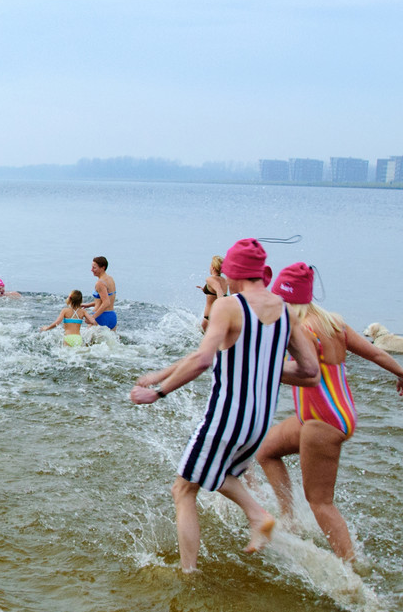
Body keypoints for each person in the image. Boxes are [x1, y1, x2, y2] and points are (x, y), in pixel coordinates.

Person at [129, 238, 319, 573]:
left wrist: (159, 392)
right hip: (258, 424)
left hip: (226, 418)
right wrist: (266, 367)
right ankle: (256, 516)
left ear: (236, 272)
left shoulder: (229, 307)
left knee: (183, 489)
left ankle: (191, 571)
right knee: (219, 476)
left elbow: (203, 359)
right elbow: (310, 372)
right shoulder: (285, 311)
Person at [255, 262, 403, 561]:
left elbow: (303, 372)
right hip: (333, 415)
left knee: (320, 502)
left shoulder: (301, 329)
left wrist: (259, 368)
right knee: (266, 450)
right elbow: (376, 352)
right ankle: (290, 522)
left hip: (322, 422)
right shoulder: (334, 323)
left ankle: (352, 568)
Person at [83, 256, 118, 329]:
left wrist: (92, 317)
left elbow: (106, 302)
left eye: (94, 268)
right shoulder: (110, 279)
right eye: (92, 267)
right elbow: (105, 300)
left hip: (101, 317)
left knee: (85, 340)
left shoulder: (100, 283)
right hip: (112, 316)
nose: (91, 270)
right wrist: (88, 305)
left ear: (103, 268)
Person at [196, 255, 229, 332]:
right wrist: (204, 289)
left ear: (213, 267)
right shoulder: (224, 280)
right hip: (218, 318)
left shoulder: (210, 279)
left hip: (209, 319)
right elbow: (215, 292)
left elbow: (219, 291)